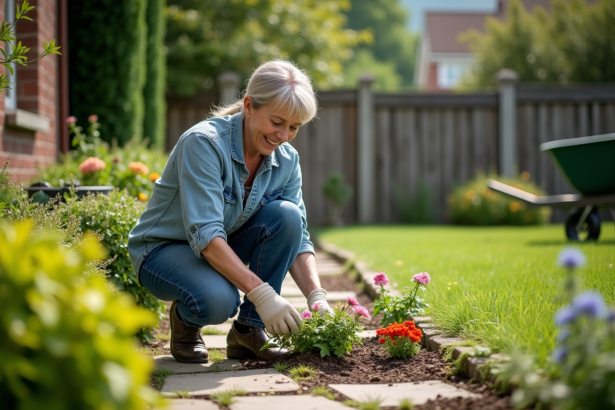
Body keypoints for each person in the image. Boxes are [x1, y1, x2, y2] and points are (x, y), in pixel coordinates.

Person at [128, 60, 332, 363]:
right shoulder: (204, 144)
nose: (284, 136)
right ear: (249, 106)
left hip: (223, 244)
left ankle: (249, 331)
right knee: (218, 301)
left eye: (294, 127)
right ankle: (186, 321)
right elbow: (206, 234)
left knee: (287, 215)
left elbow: (297, 235)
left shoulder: (287, 159)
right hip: (163, 251)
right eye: (277, 123)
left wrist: (317, 298)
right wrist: (263, 295)